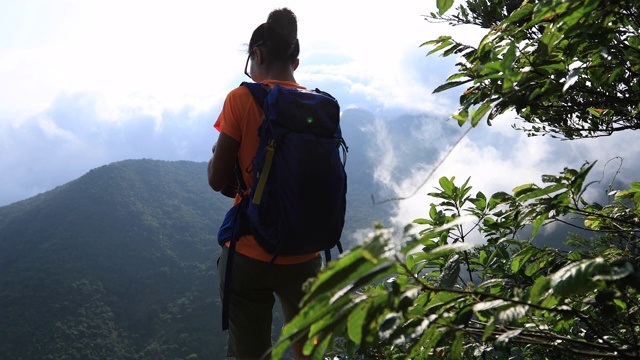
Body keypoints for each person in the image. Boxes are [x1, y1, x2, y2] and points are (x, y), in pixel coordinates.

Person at [207, 8, 322, 360]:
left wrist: (220, 153)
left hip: (249, 251)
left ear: (257, 55)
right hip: (305, 250)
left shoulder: (240, 100)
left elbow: (216, 179)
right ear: (296, 62)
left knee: (251, 354)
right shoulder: (320, 105)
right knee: (309, 351)